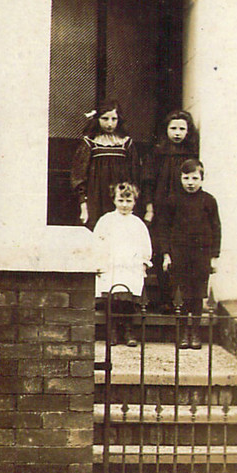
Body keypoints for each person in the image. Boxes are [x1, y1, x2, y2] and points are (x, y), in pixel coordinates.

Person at [159, 158, 221, 349]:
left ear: (202, 178)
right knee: (181, 295)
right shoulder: (173, 200)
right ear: (180, 178)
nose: (190, 182)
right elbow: (164, 228)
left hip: (201, 254)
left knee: (197, 296)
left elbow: (216, 229)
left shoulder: (209, 201)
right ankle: (183, 333)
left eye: (195, 178)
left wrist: (214, 257)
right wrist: (166, 254)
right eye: (186, 178)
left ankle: (195, 332)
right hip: (180, 253)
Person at [142, 110, 200, 310]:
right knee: (161, 251)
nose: (177, 133)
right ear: (166, 129)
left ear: (188, 131)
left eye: (182, 129)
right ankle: (165, 299)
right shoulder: (157, 153)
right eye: (173, 128)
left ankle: (181, 300)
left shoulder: (191, 153)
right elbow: (148, 182)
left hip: (183, 209)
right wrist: (149, 207)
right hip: (161, 208)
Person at [93, 181, 152, 347]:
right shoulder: (106, 221)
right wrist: (99, 263)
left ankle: (128, 330)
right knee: (112, 300)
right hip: (111, 266)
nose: (124, 205)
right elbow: (97, 243)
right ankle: (111, 331)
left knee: (127, 300)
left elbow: (145, 245)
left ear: (135, 202)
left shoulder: (138, 224)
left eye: (128, 201)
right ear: (114, 200)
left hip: (130, 267)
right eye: (121, 200)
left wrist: (143, 263)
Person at [70, 100, 140, 231]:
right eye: (105, 119)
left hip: (120, 194)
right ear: (97, 119)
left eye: (114, 119)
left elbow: (134, 172)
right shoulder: (90, 142)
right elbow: (79, 175)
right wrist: (83, 203)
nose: (109, 123)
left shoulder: (126, 143)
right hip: (96, 194)